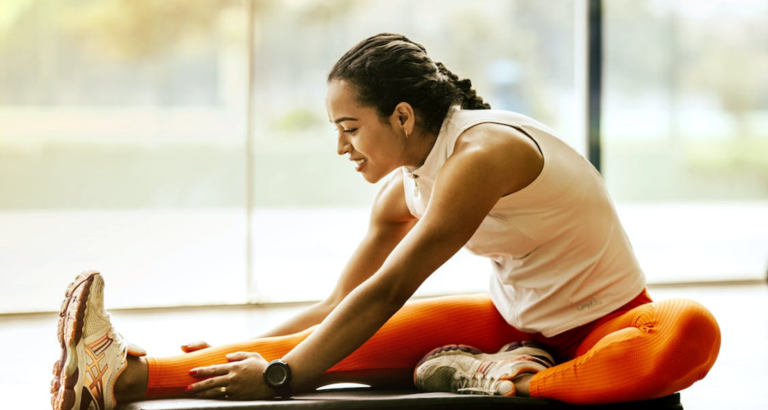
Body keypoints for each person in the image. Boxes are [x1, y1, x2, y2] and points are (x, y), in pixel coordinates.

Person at [50, 33, 720, 410]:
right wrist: (243, 351)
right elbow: (338, 305)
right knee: (331, 338)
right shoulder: (403, 189)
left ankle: (509, 377)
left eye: (350, 128)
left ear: (402, 116)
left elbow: (392, 287)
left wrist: (285, 378)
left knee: (691, 330)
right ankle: (114, 376)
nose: (343, 147)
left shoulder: (485, 153)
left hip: (611, 324)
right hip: (512, 324)